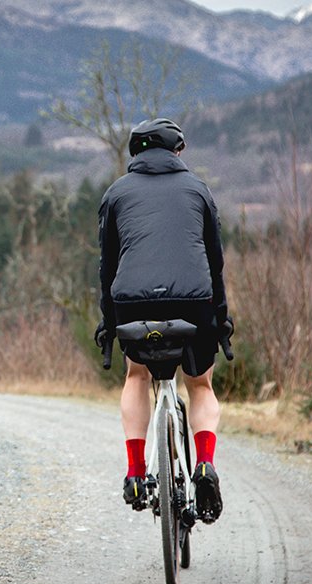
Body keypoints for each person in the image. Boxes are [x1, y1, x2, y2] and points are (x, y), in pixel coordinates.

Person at [94, 118, 233, 523]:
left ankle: (136, 472)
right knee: (200, 384)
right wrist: (221, 321)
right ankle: (204, 463)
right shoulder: (198, 190)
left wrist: (108, 323)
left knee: (136, 376)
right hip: (194, 302)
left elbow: (108, 267)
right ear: (177, 151)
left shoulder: (116, 193)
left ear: (136, 153)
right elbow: (215, 263)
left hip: (133, 304)